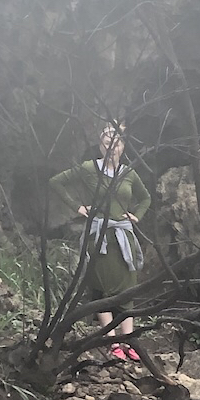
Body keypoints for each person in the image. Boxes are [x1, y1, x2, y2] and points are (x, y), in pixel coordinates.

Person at [49, 121, 151, 360]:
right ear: (100, 145)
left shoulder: (128, 173)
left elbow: (145, 198)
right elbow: (56, 182)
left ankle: (129, 340)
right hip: (99, 237)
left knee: (128, 288)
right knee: (103, 288)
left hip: (123, 237)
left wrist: (136, 215)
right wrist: (78, 207)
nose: (111, 147)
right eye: (107, 142)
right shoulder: (89, 168)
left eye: (116, 143)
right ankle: (111, 341)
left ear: (123, 147)